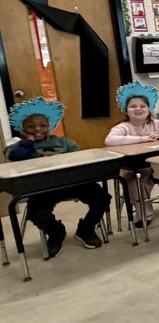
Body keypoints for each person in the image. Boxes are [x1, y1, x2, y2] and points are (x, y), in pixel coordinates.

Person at [6, 98, 111, 256]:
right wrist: (28, 143)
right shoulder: (16, 147)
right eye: (31, 126)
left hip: (71, 182)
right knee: (37, 212)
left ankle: (85, 229)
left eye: (42, 125)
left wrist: (59, 157)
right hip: (42, 188)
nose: (37, 129)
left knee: (101, 197)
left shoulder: (62, 142)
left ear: (49, 126)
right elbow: (15, 157)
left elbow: (79, 156)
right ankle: (56, 233)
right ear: (22, 128)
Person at [105, 82, 159, 227]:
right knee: (134, 183)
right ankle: (145, 214)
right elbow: (110, 140)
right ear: (126, 111)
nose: (138, 109)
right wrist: (141, 139)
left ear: (149, 109)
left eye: (142, 106)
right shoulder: (123, 127)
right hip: (135, 168)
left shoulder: (157, 124)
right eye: (133, 106)